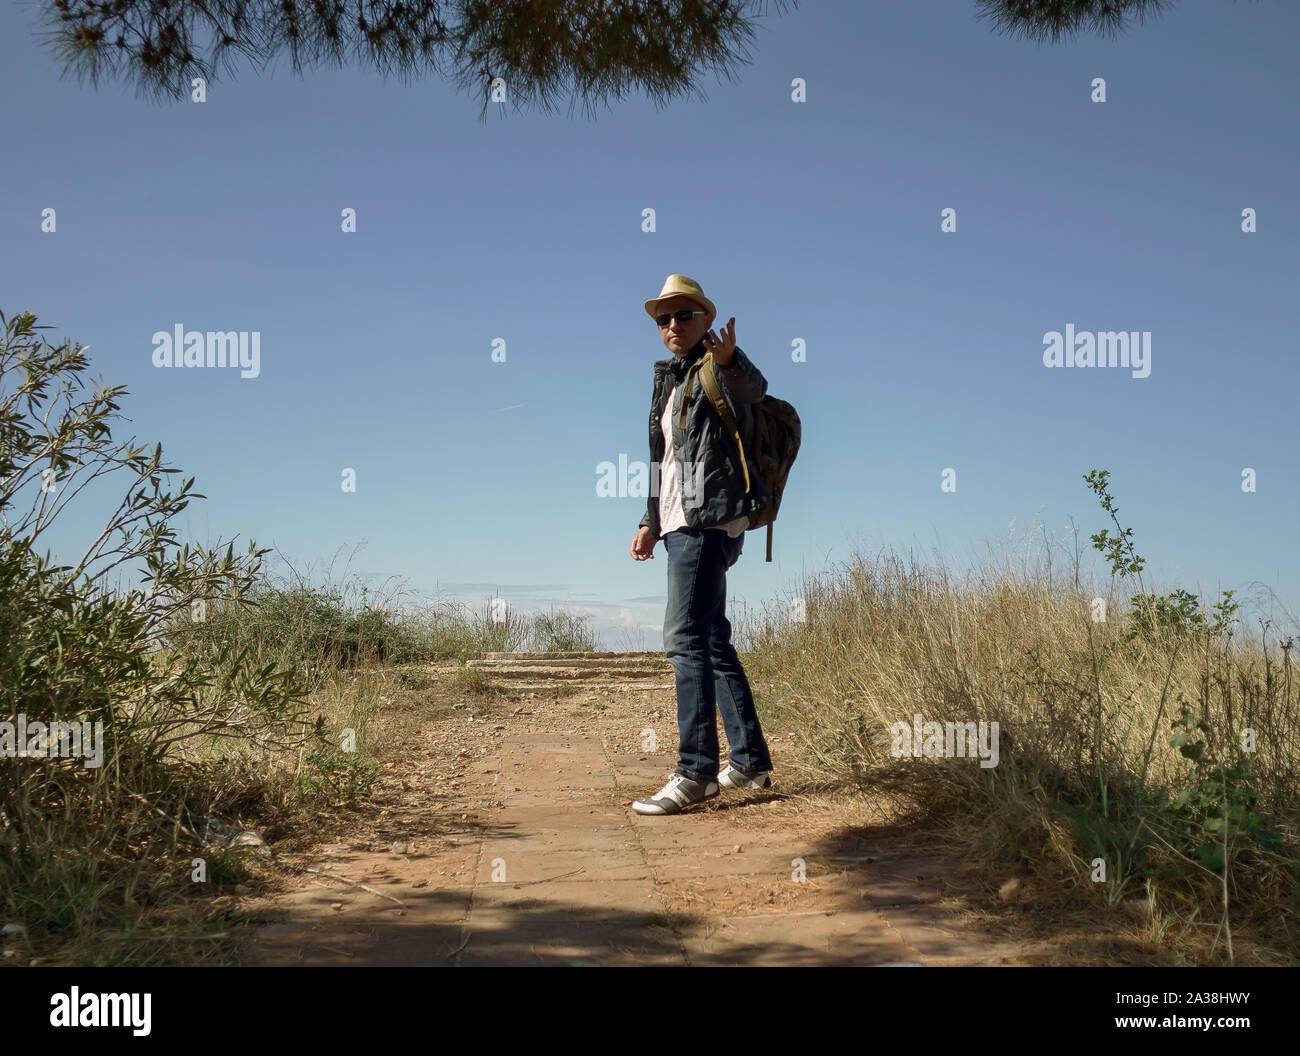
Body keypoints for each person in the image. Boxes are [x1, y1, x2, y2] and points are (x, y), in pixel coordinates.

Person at [629, 274, 775, 816]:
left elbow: (753, 391)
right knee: (711, 638)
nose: (671, 325)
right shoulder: (667, 379)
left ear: (706, 320)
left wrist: (733, 359)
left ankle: (696, 771)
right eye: (663, 318)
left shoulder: (720, 364)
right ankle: (751, 761)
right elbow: (660, 461)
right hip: (678, 521)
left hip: (707, 522)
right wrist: (650, 519)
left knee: (684, 638)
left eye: (682, 315)